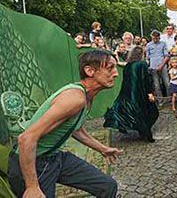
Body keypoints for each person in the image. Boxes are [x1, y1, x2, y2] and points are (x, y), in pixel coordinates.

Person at [11, 50, 121, 198]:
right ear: (89, 71)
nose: (116, 74)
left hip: (55, 157)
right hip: (35, 163)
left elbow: (76, 129)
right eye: (110, 68)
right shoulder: (74, 98)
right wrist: (32, 186)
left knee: (107, 186)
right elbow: (26, 138)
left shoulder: (86, 97)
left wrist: (102, 149)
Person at [104, 47, 159, 142]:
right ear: (141, 54)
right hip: (140, 93)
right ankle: (147, 135)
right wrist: (150, 93)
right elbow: (146, 79)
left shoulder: (128, 65)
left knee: (136, 112)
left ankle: (143, 133)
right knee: (148, 112)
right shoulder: (142, 64)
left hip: (129, 94)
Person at [146, 30, 170, 105]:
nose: (155, 38)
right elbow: (147, 57)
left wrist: (161, 65)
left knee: (167, 83)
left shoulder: (163, 44)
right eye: (153, 36)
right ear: (151, 36)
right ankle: (160, 101)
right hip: (152, 67)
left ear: (159, 37)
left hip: (162, 66)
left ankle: (169, 100)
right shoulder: (148, 45)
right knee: (156, 85)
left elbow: (167, 56)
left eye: (156, 36)